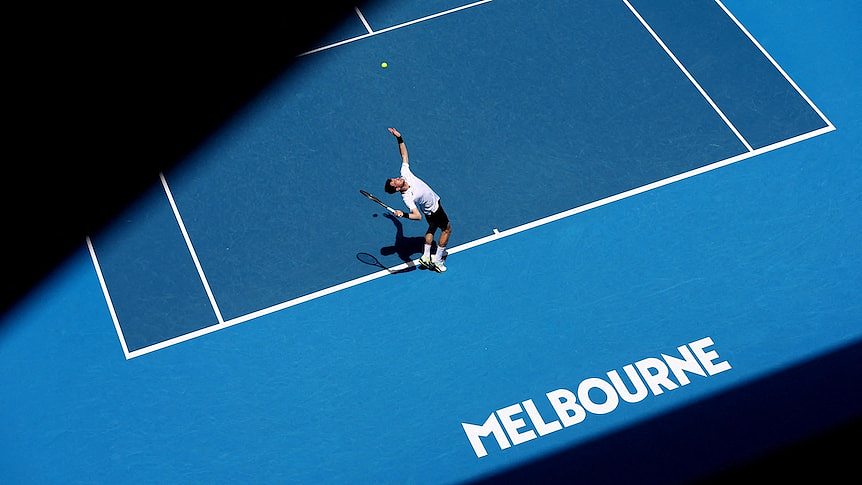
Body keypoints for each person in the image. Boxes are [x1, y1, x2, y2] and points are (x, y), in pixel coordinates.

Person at [383, 127, 452, 273]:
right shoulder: (407, 198)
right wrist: (404, 214)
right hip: (434, 209)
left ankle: (426, 257)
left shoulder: (404, 173)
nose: (397, 178)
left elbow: (404, 155)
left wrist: (399, 137)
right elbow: (417, 216)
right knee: (446, 230)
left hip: (428, 209)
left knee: (432, 229)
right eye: (395, 182)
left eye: (394, 178)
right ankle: (438, 261)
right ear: (396, 189)